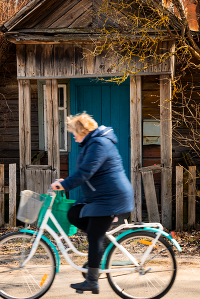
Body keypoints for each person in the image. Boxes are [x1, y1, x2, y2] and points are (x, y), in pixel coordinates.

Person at [51, 112, 134, 294]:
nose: (73, 137)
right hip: (101, 197)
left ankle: (92, 281)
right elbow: (85, 171)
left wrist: (63, 185)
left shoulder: (99, 144)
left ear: (83, 131)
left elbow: (85, 172)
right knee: (73, 213)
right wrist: (65, 182)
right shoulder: (93, 143)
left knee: (94, 236)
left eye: (74, 132)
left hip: (111, 199)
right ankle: (100, 249)